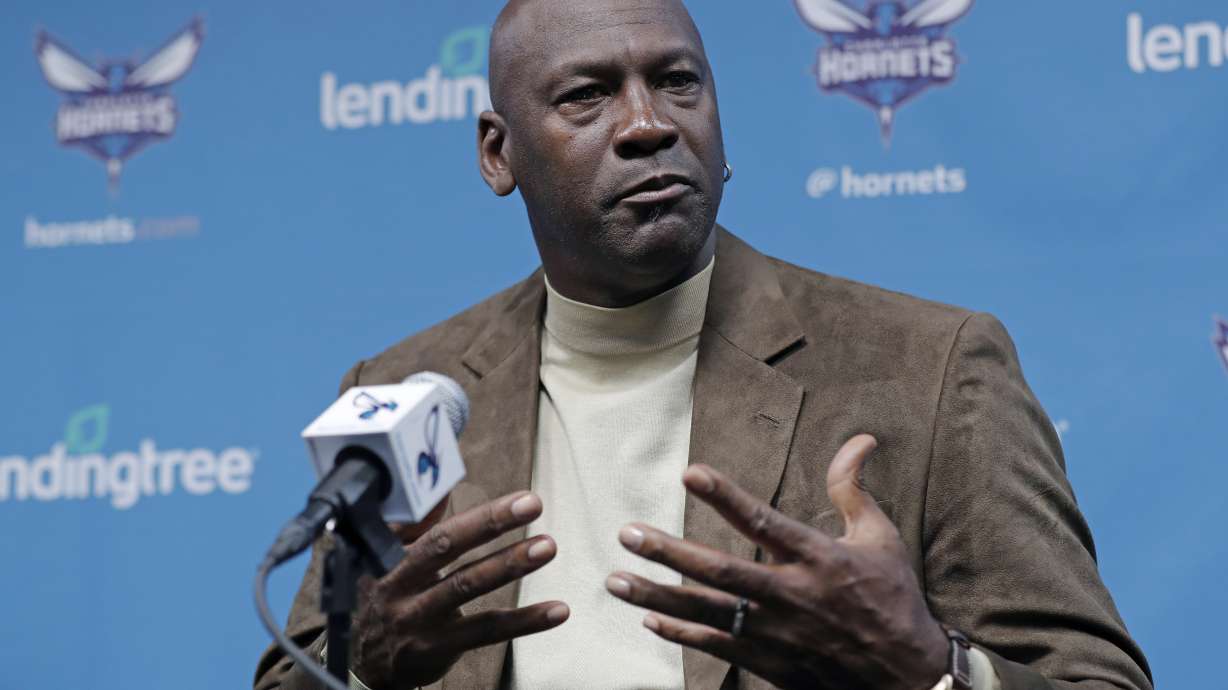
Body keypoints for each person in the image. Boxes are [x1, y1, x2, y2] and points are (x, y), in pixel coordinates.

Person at [254, 1, 1152, 688]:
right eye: (587, 96)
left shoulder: (935, 367)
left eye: (678, 82)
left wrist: (926, 665)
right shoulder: (412, 390)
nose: (648, 124)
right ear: (499, 153)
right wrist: (363, 670)